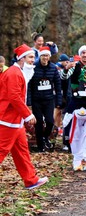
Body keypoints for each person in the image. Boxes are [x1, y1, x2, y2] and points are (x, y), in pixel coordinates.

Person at [0, 45, 48, 189]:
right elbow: (14, 97)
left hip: (15, 120)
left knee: (22, 152)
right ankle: (31, 179)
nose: (34, 60)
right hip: (8, 119)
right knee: (2, 150)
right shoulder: (14, 73)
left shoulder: (18, 72)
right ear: (22, 59)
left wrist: (24, 116)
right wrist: (27, 114)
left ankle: (31, 180)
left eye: (34, 57)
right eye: (31, 57)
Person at [27, 44, 62, 152]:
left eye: (47, 56)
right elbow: (29, 86)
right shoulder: (34, 67)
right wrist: (29, 102)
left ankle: (45, 137)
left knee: (50, 121)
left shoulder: (53, 68)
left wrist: (58, 101)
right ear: (40, 56)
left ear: (49, 57)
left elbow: (57, 85)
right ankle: (40, 147)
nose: (45, 58)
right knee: (38, 123)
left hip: (48, 99)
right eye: (43, 56)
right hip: (36, 100)